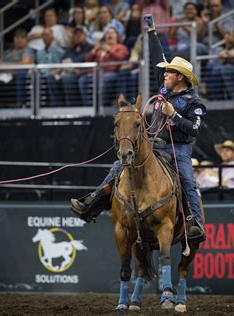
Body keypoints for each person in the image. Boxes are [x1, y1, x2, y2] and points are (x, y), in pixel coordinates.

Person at [71, 14, 207, 239]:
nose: (165, 74)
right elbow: (157, 58)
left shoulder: (194, 102)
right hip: (153, 145)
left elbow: (194, 129)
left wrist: (173, 115)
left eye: (170, 72)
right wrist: (152, 32)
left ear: (181, 78)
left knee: (187, 181)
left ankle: (195, 225)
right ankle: (93, 202)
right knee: (118, 167)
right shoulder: (163, 90)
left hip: (178, 150)